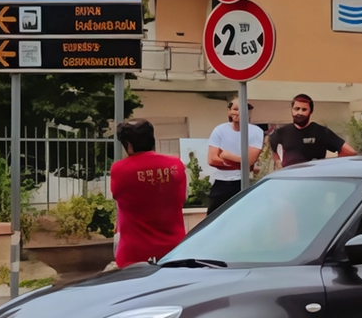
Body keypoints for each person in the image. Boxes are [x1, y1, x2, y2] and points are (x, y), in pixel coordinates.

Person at [109, 119, 187, 268]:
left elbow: (117, 196)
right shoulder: (175, 165)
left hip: (134, 255)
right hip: (174, 250)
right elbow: (181, 198)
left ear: (128, 145)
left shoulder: (119, 169)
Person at [205, 97, 264, 212]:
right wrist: (242, 165)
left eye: (241, 109)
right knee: (213, 218)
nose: (238, 113)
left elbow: (250, 160)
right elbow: (212, 160)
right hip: (220, 182)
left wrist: (227, 156)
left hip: (243, 182)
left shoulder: (256, 131)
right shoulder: (219, 130)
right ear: (229, 111)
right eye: (235, 109)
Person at [268, 93, 358, 167]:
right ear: (292, 110)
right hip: (290, 182)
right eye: (296, 109)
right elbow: (274, 150)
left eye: (304, 109)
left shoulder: (321, 132)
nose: (299, 113)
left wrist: (331, 166)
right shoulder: (281, 132)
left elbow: (350, 152)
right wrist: (279, 165)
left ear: (311, 111)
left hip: (313, 182)